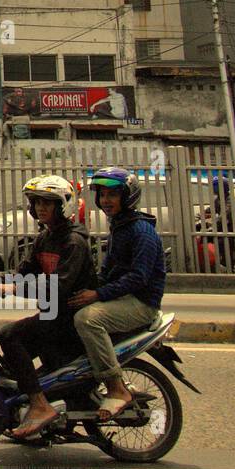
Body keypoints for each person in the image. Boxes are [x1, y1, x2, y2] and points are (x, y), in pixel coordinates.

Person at [0, 175, 96, 438]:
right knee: (9, 364)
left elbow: (57, 287)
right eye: (37, 202)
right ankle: (29, 406)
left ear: (63, 205)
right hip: (54, 316)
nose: (41, 207)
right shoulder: (44, 238)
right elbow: (23, 272)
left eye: (48, 202)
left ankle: (39, 406)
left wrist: (14, 288)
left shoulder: (74, 242)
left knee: (8, 334)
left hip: (70, 320)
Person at [68, 166, 166, 421]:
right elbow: (109, 271)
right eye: (101, 195)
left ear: (127, 196)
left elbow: (138, 277)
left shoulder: (141, 231)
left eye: (112, 194)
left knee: (87, 319)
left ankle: (116, 388)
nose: (105, 201)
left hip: (141, 303)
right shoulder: (121, 227)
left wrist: (97, 295)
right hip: (122, 298)